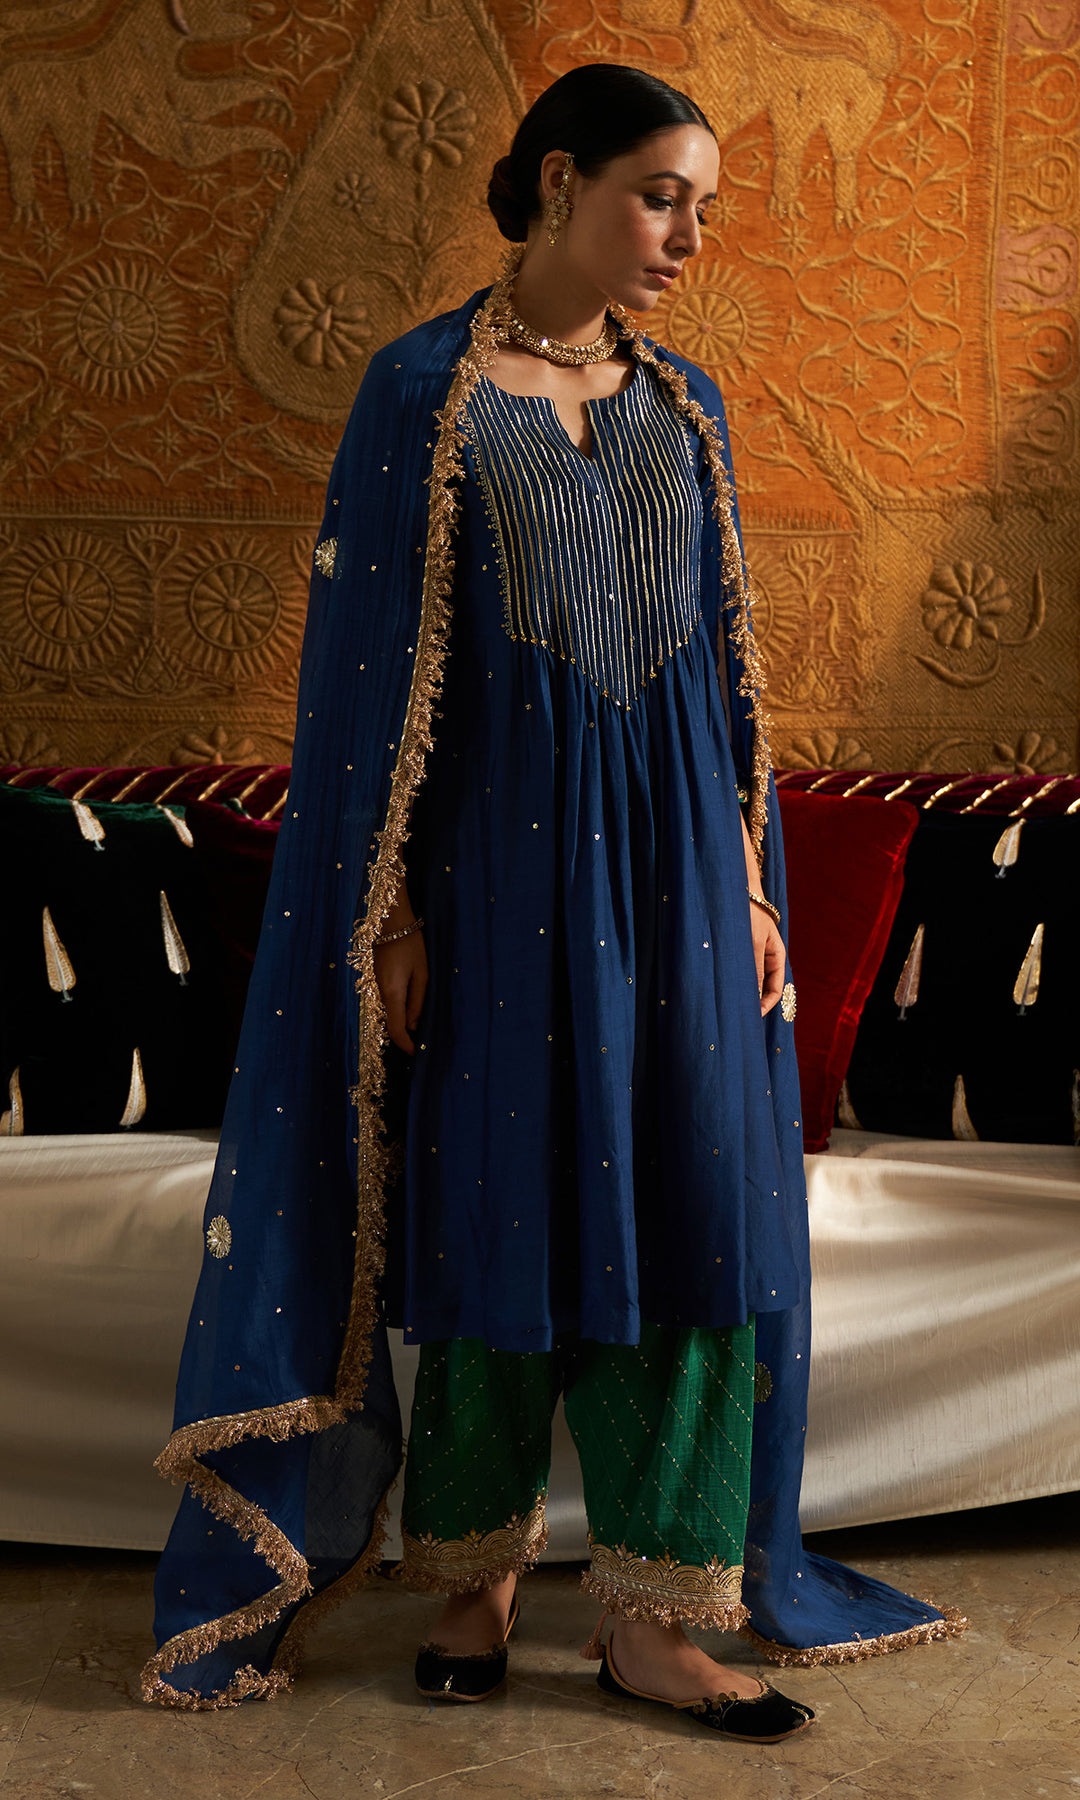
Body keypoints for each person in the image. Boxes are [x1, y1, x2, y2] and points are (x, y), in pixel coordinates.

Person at [142, 64, 965, 1728]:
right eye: (661, 197)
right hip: (499, 880)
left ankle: (660, 1618)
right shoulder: (420, 395)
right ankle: (479, 1580)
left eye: (704, 209)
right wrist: (391, 916)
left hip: (683, 879)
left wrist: (753, 885)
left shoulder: (687, 406)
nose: (687, 238)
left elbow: (728, 672)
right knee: (499, 1206)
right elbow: (367, 683)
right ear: (559, 180)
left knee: (693, 1213)